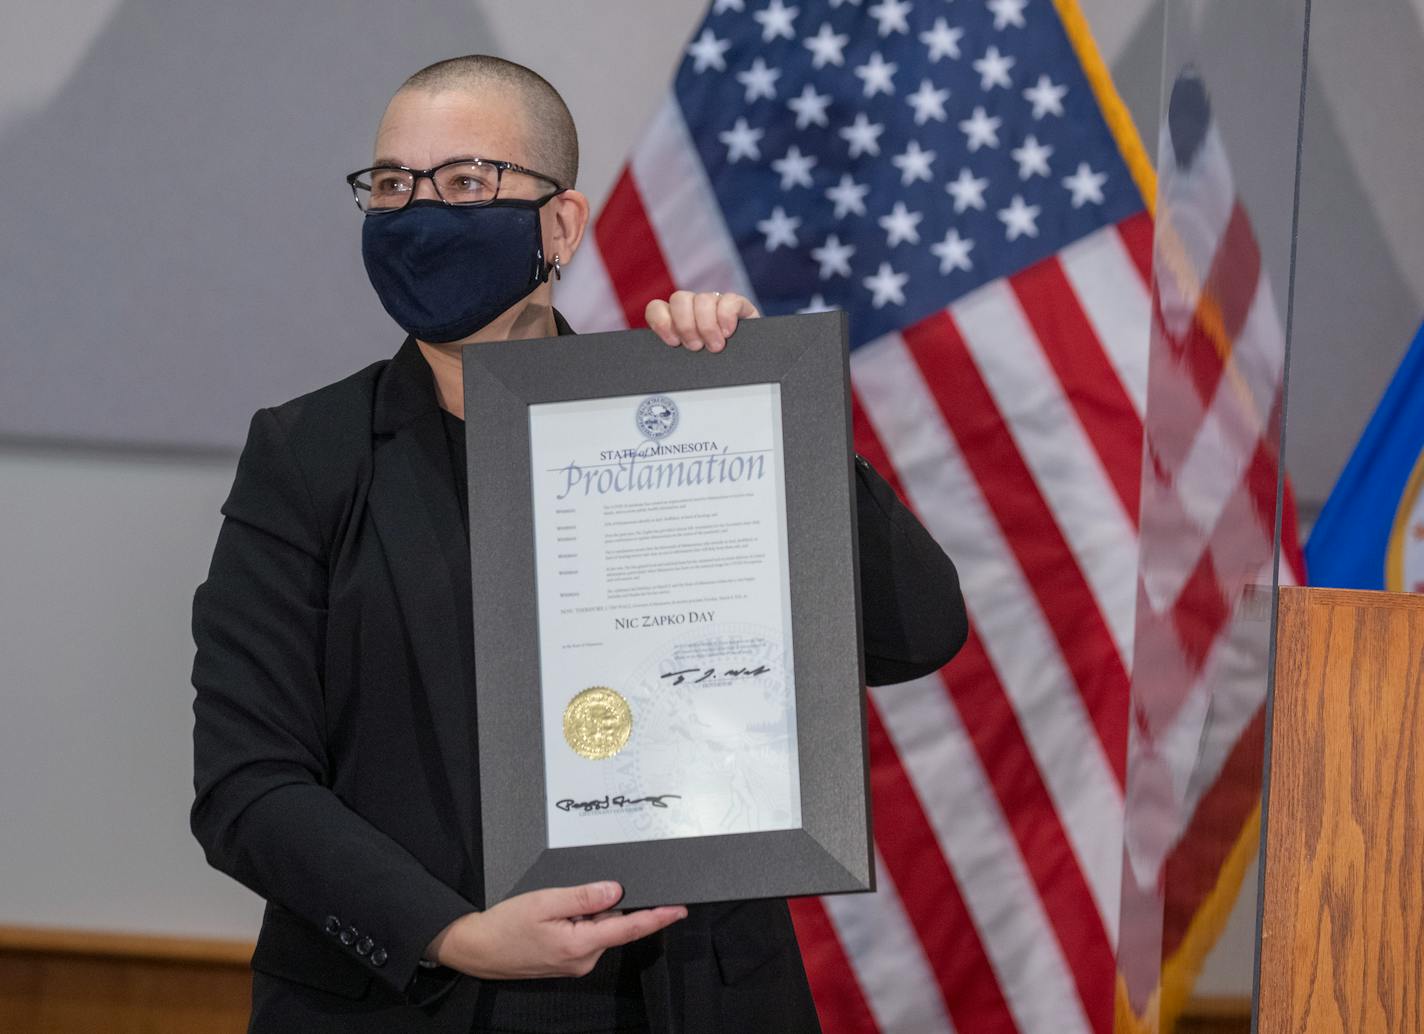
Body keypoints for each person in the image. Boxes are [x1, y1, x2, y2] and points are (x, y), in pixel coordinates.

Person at [191, 55, 968, 1034]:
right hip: (413, 1001)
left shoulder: (682, 417)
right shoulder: (307, 456)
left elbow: (917, 629)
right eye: (393, 184)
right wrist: (451, 931)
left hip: (680, 996)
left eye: (467, 182)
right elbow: (244, 781)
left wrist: (769, 410)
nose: (419, 212)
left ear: (560, 223)